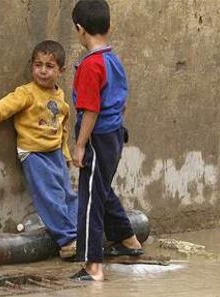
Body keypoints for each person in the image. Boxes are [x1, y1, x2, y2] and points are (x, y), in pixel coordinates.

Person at [0, 40, 78, 259]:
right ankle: (67, 240)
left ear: (61, 71)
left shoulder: (60, 97)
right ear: (31, 66)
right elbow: (3, 108)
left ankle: (77, 231)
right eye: (38, 65)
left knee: (68, 194)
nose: (43, 71)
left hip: (55, 154)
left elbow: (63, 128)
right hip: (34, 154)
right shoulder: (27, 93)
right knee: (49, 196)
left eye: (49, 66)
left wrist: (66, 154)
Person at [70, 0, 143, 281]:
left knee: (89, 199)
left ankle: (92, 266)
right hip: (113, 135)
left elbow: (91, 109)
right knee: (101, 188)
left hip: (97, 138)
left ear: (79, 29)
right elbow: (121, 103)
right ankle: (128, 240)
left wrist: (79, 145)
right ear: (109, 27)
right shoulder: (114, 59)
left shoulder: (91, 66)